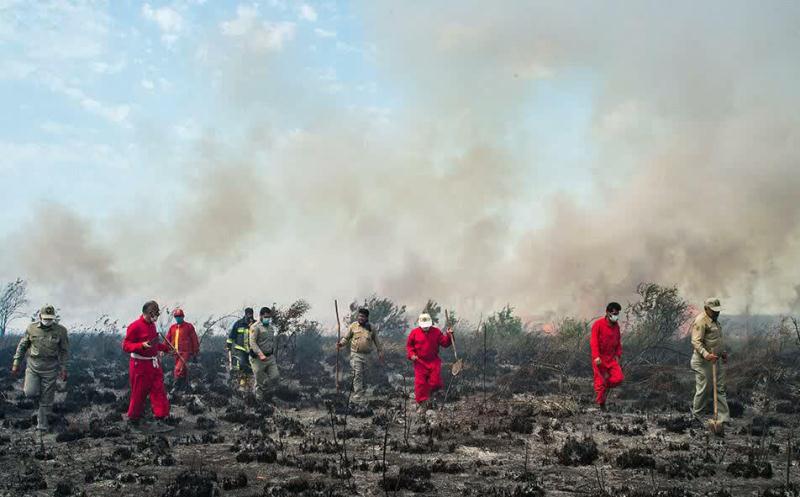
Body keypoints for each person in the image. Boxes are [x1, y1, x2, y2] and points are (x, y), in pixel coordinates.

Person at [11, 304, 69, 431]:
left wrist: (63, 368)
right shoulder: (31, 328)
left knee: (47, 399)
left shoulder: (61, 331)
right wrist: (16, 363)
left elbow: (64, 351)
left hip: (51, 367)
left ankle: (42, 425)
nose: (48, 321)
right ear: (40, 316)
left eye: (50, 319)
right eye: (46, 318)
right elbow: (22, 346)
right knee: (29, 393)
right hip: (33, 366)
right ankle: (39, 408)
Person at [122, 301, 173, 433]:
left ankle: (160, 420)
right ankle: (133, 421)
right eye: (153, 314)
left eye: (157, 314)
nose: (155, 317)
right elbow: (126, 345)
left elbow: (154, 344)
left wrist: (166, 348)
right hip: (140, 365)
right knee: (138, 393)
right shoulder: (134, 326)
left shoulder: (152, 326)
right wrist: (141, 346)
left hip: (153, 364)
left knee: (159, 391)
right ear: (147, 313)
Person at [690, 297, 730, 424]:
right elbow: (696, 341)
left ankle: (723, 418)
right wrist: (706, 355)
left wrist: (722, 352)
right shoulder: (701, 321)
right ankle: (697, 415)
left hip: (716, 359)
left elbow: (716, 339)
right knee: (704, 387)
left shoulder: (715, 321)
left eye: (718, 310)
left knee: (720, 388)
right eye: (714, 310)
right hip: (703, 361)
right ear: (706, 309)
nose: (717, 313)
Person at [406, 313, 452, 412]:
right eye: (424, 326)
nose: (426, 328)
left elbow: (445, 343)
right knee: (421, 383)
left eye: (427, 325)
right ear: (419, 324)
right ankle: (422, 403)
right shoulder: (414, 333)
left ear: (430, 324)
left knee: (435, 381)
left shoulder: (436, 332)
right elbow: (409, 347)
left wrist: (449, 335)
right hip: (420, 361)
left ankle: (432, 398)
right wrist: (412, 355)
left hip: (433, 361)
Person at [337, 308, 384, 403]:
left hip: (367, 355)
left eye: (362, 316)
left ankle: (364, 389)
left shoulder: (371, 327)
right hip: (356, 354)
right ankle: (358, 393)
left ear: (366, 318)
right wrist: (341, 344)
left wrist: (380, 352)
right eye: (359, 316)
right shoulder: (353, 326)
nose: (360, 318)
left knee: (366, 373)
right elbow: (346, 338)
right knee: (357, 373)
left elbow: (377, 341)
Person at [590, 302, 624, 410]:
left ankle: (603, 387)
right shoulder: (598, 324)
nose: (615, 316)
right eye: (614, 313)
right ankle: (601, 405)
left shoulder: (616, 327)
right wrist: (596, 357)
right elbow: (593, 342)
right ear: (607, 312)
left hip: (611, 358)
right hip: (600, 358)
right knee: (600, 382)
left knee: (619, 378)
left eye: (617, 314)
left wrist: (618, 355)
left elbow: (618, 342)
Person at [249, 307, 281, 400]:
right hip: (257, 359)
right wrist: (260, 354)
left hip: (270, 357)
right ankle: (260, 401)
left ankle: (266, 391)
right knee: (260, 381)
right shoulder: (255, 327)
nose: (268, 319)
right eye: (266, 316)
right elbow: (252, 343)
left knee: (275, 376)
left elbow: (271, 342)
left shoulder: (271, 328)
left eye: (269, 317)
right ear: (261, 316)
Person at [165, 308, 199, 392]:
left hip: (185, 352)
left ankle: (175, 386)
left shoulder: (189, 326)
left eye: (180, 316)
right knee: (183, 370)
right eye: (176, 316)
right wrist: (163, 349)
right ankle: (184, 387)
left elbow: (194, 339)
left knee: (178, 368)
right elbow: (167, 339)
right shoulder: (172, 328)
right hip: (175, 352)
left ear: (183, 317)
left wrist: (195, 351)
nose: (178, 318)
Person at [227, 307, 255, 391]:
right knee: (242, 365)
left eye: (251, 314)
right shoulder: (238, 324)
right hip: (240, 349)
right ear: (245, 314)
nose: (250, 316)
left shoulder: (255, 324)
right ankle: (242, 386)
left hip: (252, 350)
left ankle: (249, 386)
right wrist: (229, 344)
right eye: (248, 314)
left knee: (251, 368)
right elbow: (232, 336)